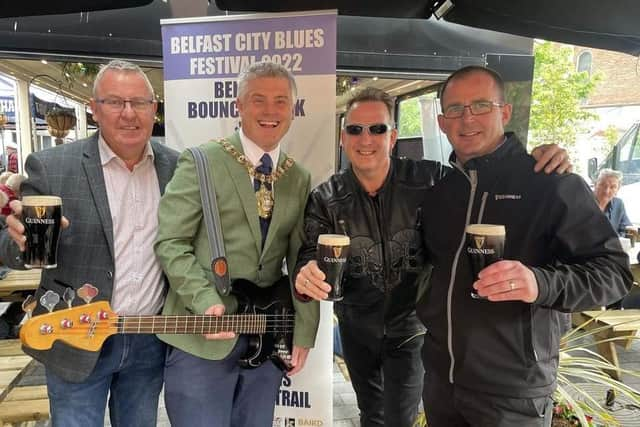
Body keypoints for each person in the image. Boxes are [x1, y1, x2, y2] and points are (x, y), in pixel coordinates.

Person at [294, 87, 571, 427]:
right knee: (371, 413)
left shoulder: (431, 179)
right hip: (356, 327)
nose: (365, 139)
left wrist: (534, 161)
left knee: (399, 418)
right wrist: (304, 272)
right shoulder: (327, 196)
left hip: (412, 326)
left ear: (392, 136)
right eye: (355, 129)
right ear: (343, 137)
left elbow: (484, 182)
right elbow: (308, 251)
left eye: (377, 129)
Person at [417, 65, 632, 427]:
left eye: (480, 105)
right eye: (455, 109)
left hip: (512, 392)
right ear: (442, 122)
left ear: (505, 112)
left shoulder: (549, 182)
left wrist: (539, 283)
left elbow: (614, 273)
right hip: (442, 382)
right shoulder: (440, 191)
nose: (467, 118)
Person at [0, 59, 179, 427]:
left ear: (153, 109)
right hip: (74, 335)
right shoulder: (52, 166)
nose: (128, 113)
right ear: (94, 109)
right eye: (115, 102)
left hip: (146, 337)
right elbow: (10, 248)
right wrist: (18, 242)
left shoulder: (176, 169)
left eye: (139, 103)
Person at [154, 61, 320, 427]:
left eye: (281, 101)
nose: (270, 111)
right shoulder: (201, 161)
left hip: (268, 336)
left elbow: (300, 260)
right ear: (238, 106)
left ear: (293, 110)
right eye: (258, 99)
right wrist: (205, 300)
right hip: (201, 339)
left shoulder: (298, 176)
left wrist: (304, 331)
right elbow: (171, 242)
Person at [593, 168, 632, 235]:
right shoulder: (583, 203)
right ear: (595, 185)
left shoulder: (618, 204)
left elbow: (626, 229)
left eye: (613, 187)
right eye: (602, 185)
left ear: (618, 189)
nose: (606, 191)